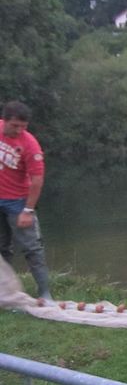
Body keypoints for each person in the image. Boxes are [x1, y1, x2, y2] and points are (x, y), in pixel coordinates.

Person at [0, 101, 51, 301]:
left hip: (18, 201)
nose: (19, 130)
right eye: (15, 126)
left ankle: (45, 293)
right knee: (2, 248)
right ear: (5, 120)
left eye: (23, 126)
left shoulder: (30, 144)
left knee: (32, 249)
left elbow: (37, 179)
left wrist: (28, 210)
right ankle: (5, 291)